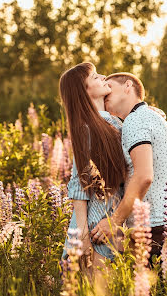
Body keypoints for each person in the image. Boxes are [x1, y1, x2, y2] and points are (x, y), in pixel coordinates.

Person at [90, 72, 167, 263]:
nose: (106, 91)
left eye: (110, 88)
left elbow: (143, 176)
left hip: (153, 229)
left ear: (128, 86)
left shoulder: (136, 120)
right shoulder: (148, 117)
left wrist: (113, 221)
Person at [59, 62, 128, 274]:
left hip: (109, 225)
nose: (103, 77)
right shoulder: (87, 129)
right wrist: (83, 235)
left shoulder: (113, 122)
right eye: (96, 77)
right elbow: (80, 184)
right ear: (84, 91)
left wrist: (147, 113)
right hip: (94, 230)